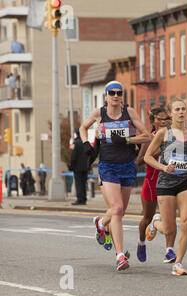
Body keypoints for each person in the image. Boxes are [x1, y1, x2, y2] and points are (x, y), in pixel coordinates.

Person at [79, 80, 150, 271]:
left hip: (127, 165)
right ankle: (120, 256)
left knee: (120, 211)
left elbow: (147, 136)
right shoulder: (99, 113)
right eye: (112, 93)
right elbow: (82, 128)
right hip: (107, 166)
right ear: (107, 96)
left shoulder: (130, 112)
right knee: (117, 209)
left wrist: (127, 140)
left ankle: (101, 223)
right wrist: (86, 144)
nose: (116, 96)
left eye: (119, 93)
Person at [144, 98, 187, 276]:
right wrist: (163, 167)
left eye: (183, 109)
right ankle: (156, 222)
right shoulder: (164, 133)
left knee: (186, 222)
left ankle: (178, 263)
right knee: (170, 228)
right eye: (177, 109)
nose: (180, 112)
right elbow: (148, 157)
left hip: (184, 182)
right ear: (171, 114)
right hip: (165, 182)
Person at [135, 107, 177, 264]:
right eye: (159, 119)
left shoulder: (174, 137)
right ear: (153, 121)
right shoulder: (150, 139)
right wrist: (157, 149)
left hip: (170, 182)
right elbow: (139, 161)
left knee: (169, 218)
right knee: (147, 218)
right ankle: (141, 242)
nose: (163, 121)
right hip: (152, 182)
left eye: (166, 118)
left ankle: (169, 250)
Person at [68, 128, 89, 205]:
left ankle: (80, 199)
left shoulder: (76, 143)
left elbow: (73, 156)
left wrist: (70, 164)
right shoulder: (86, 143)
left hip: (77, 167)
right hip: (85, 167)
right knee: (83, 183)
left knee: (79, 183)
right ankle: (84, 198)